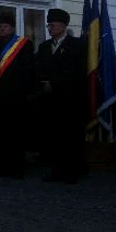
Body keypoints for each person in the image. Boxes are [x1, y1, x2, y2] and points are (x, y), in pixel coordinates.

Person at [35, 9, 87, 184]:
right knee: (54, 137)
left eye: (53, 25)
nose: (50, 28)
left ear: (64, 26)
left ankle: (72, 171)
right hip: (50, 100)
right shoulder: (44, 47)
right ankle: (56, 170)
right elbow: (38, 68)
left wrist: (55, 84)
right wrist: (43, 83)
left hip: (69, 99)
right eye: (49, 25)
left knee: (70, 137)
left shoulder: (77, 45)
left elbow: (77, 72)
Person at [0, 12, 36, 178]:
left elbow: (28, 70)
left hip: (16, 97)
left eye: (5, 27)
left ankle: (17, 168)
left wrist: (23, 91)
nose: (1, 29)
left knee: (16, 134)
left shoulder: (24, 45)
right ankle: (1, 166)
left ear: (12, 28)